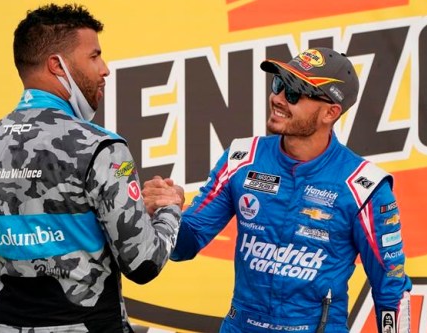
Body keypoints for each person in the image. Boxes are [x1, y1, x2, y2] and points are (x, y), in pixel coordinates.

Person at [143, 47, 412, 332]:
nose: (278, 98)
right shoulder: (241, 159)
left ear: (330, 112)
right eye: (279, 84)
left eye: (295, 93)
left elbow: (391, 290)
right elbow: (186, 244)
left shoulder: (364, 186)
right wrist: (168, 211)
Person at [0, 4, 183, 333]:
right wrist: (169, 208)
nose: (105, 69)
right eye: (94, 56)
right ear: (57, 65)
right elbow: (142, 263)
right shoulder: (101, 148)